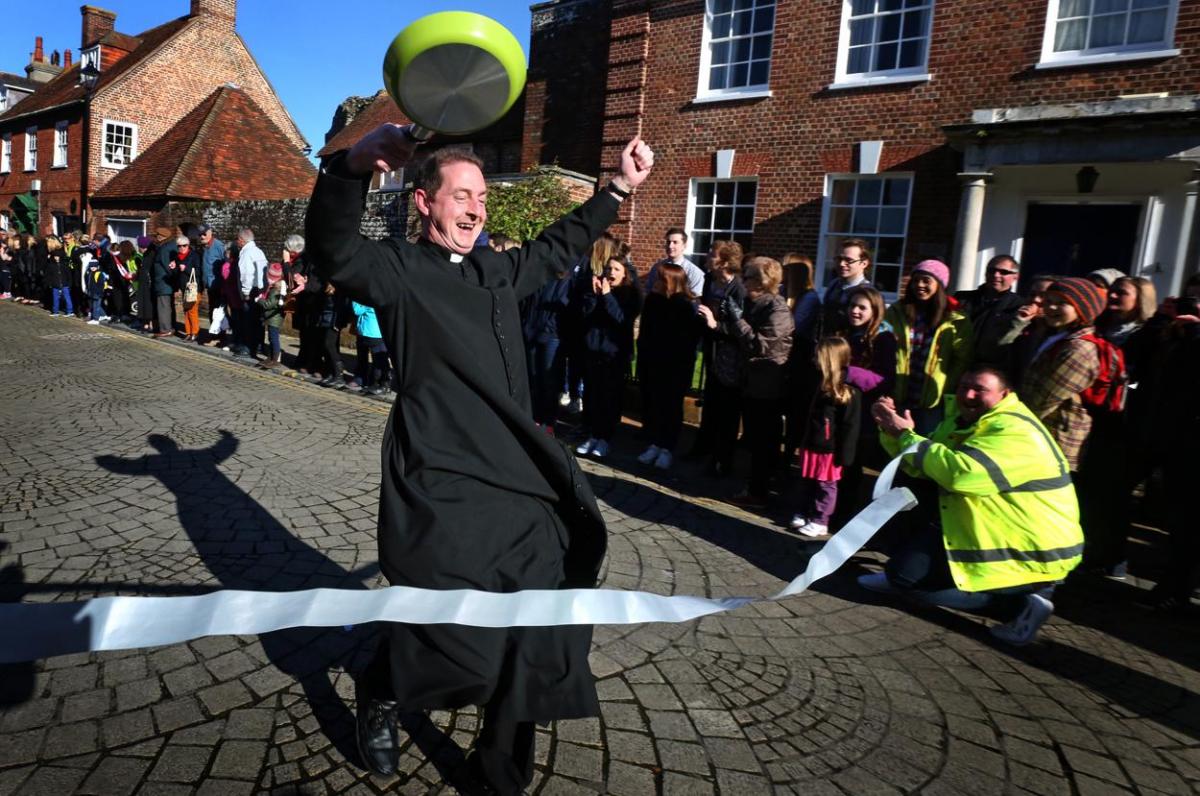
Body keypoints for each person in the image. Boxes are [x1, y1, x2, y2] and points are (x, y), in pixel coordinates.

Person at [305, 123, 654, 793]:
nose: (475, 209)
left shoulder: (498, 269)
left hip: (520, 482)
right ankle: (384, 680)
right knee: (456, 638)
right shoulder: (398, 272)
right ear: (426, 203)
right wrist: (351, 167)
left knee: (534, 622)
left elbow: (559, 246)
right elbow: (334, 248)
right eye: (461, 196)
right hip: (441, 480)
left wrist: (617, 188)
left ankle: (500, 773)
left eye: (483, 199)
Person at [863, 366, 1083, 645]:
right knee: (909, 502)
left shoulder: (1015, 430)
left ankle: (1022, 603)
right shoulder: (966, 418)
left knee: (906, 581)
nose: (968, 394)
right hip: (990, 523)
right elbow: (925, 467)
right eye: (964, 385)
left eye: (980, 389)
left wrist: (907, 437)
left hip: (1031, 544)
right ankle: (904, 569)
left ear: (1005, 394)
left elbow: (961, 476)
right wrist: (891, 430)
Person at [1076, 275, 1158, 578]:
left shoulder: (1148, 335)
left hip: (1123, 425)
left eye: (1120, 293)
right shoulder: (1098, 327)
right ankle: (1087, 550)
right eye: (1111, 291)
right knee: (1089, 490)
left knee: (1114, 495)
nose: (1112, 297)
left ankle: (1113, 556)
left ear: (1139, 300)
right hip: (1092, 419)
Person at [701, 256, 794, 506]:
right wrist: (724, 322)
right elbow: (739, 335)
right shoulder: (754, 303)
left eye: (748, 276)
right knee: (754, 439)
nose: (743, 280)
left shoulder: (777, 309)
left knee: (764, 441)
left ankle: (759, 491)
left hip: (767, 387)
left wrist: (737, 319)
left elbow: (760, 345)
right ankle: (755, 484)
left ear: (763, 281)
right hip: (750, 382)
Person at [1018, 277, 1108, 473]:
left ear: (1082, 309)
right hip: (1037, 434)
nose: (1051, 308)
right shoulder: (1054, 336)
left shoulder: (1079, 349)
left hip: (1054, 439)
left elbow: (1044, 400)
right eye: (1048, 301)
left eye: (1062, 303)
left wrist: (1014, 429)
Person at [831, 284, 897, 525]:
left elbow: (884, 379)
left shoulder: (884, 338)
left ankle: (844, 515)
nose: (855, 311)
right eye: (852, 306)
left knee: (852, 464)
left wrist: (847, 373)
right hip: (841, 406)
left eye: (862, 307)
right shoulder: (845, 333)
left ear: (875, 310)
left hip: (863, 412)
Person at [884, 260, 973, 435]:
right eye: (916, 280)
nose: (920, 285)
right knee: (895, 444)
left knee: (925, 445)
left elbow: (962, 359)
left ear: (939, 285)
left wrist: (947, 388)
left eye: (926, 280)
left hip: (933, 398)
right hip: (900, 392)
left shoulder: (955, 318)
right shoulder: (897, 312)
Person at [789, 336, 861, 536]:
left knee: (826, 486)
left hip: (829, 449)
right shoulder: (817, 383)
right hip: (812, 443)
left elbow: (849, 426)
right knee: (807, 481)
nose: (814, 359)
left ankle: (821, 519)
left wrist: (845, 455)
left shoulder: (846, 392)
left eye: (818, 356)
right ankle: (805, 512)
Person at [637, 262, 703, 472]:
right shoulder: (653, 302)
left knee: (671, 406)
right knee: (655, 404)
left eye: (658, 279)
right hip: (653, 361)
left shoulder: (685, 305)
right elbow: (646, 332)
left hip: (676, 365)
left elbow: (689, 339)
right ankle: (655, 443)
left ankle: (667, 447)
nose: (654, 282)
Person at [574, 254, 642, 458]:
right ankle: (594, 435)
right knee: (593, 396)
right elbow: (585, 317)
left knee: (609, 398)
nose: (611, 273)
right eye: (609, 269)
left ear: (625, 274)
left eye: (616, 270)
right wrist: (594, 296)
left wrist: (606, 296)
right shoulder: (598, 291)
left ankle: (605, 438)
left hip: (614, 354)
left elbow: (621, 320)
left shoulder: (629, 294)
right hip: (593, 350)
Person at [691, 240, 745, 472]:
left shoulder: (739, 289)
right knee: (711, 402)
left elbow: (742, 328)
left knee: (728, 409)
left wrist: (716, 325)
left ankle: (722, 459)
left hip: (732, 358)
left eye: (712, 254)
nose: (706, 256)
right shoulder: (710, 280)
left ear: (723, 261)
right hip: (713, 351)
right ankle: (703, 447)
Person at [522, 263, 572, 434]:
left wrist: (547, 329)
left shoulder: (566, 281)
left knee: (548, 379)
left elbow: (560, 309)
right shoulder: (540, 278)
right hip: (532, 332)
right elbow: (530, 305)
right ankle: (535, 416)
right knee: (534, 378)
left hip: (551, 336)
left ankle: (548, 420)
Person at [955, 255, 1025, 367]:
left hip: (990, 369)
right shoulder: (962, 298)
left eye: (1003, 272)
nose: (996, 275)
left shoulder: (1018, 306)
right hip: (955, 363)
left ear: (1015, 277)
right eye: (991, 270)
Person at [820, 238, 872, 332]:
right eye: (839, 259)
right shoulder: (834, 284)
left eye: (848, 260)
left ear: (864, 263)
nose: (842, 264)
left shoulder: (868, 293)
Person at [643, 227, 706, 298]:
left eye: (675, 242)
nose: (670, 246)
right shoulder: (657, 267)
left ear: (684, 246)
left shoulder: (694, 272)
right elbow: (648, 290)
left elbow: (695, 298)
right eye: (668, 242)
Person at [237, 228, 268, 357]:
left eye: (237, 239)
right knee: (259, 320)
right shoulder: (259, 252)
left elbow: (246, 274)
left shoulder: (246, 254)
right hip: (261, 290)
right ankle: (259, 345)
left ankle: (248, 348)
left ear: (242, 240)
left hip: (251, 291)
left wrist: (245, 292)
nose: (237, 242)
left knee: (249, 320)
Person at [351, 300, 391, 394]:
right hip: (369, 331)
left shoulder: (370, 300)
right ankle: (376, 384)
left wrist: (354, 298)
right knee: (378, 360)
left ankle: (381, 385)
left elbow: (357, 310)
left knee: (379, 361)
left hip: (372, 332)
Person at [198, 225, 226, 343]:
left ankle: (219, 336)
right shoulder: (204, 247)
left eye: (204, 234)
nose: (202, 236)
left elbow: (226, 264)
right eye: (200, 235)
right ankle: (214, 334)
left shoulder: (219, 246)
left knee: (218, 311)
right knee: (212, 310)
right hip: (209, 285)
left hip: (218, 285)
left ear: (210, 233)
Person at [257, 262, 288, 367]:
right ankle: (270, 357)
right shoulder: (274, 288)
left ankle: (275, 359)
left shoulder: (276, 291)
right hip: (272, 318)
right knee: (270, 338)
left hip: (274, 319)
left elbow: (268, 305)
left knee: (274, 338)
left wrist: (259, 300)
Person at [172, 236, 202, 341]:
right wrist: (174, 267)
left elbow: (198, 272)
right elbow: (177, 274)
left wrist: (186, 269)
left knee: (192, 310)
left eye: (184, 246)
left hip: (193, 288)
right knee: (186, 311)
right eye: (179, 246)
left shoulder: (194, 256)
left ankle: (195, 332)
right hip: (184, 288)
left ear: (188, 245)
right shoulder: (177, 257)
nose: (181, 248)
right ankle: (188, 332)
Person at [43, 236, 72, 316]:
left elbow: (67, 272)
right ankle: (56, 310)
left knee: (65, 297)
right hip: (57, 281)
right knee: (57, 297)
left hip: (62, 281)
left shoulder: (55, 257)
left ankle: (68, 310)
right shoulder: (58, 258)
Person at [134, 235, 156, 332]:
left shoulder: (150, 255)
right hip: (144, 282)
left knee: (148, 304)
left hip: (148, 283)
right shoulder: (146, 255)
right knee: (144, 304)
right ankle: (146, 323)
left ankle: (150, 324)